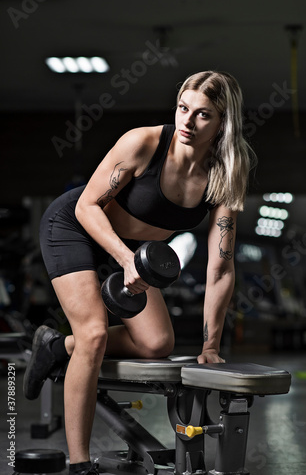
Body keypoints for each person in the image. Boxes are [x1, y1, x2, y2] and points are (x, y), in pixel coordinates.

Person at [23, 70, 255, 475]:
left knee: (156, 343)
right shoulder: (144, 142)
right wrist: (126, 259)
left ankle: (57, 348)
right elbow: (87, 207)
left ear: (223, 123)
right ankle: (79, 464)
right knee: (94, 333)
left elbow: (221, 266)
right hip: (76, 225)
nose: (187, 121)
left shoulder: (224, 173)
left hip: (133, 248)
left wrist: (211, 345)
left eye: (202, 115)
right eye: (183, 108)